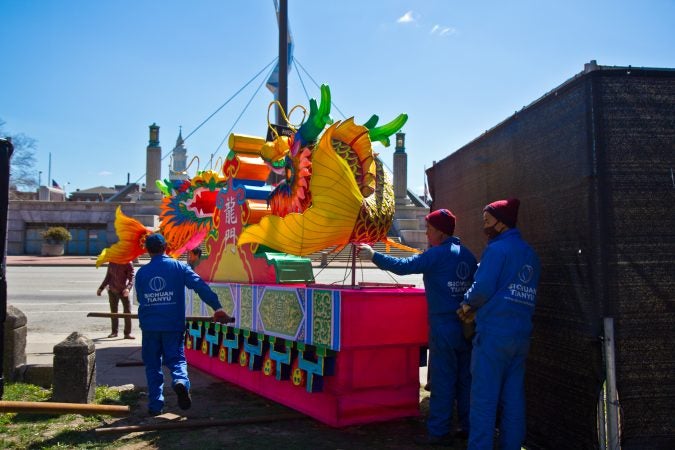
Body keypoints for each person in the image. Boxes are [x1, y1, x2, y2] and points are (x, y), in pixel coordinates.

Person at [358, 209, 477, 446]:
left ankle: (439, 431)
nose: (426, 233)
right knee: (466, 380)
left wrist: (373, 255)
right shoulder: (468, 255)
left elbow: (404, 266)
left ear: (441, 233)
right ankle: (467, 426)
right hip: (467, 327)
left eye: (430, 229)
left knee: (443, 381)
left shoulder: (436, 255)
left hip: (443, 328)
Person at [457, 198, 541, 450]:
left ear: (501, 223)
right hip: (520, 336)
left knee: (483, 400)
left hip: (493, 336)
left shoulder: (496, 250)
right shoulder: (530, 254)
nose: (484, 226)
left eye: (487, 221)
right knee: (513, 399)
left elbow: (482, 288)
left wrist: (466, 304)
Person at [135, 233, 232, 415]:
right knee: (176, 360)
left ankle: (155, 405)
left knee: (153, 365)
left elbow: (141, 298)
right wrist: (217, 307)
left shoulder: (141, 273)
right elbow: (200, 286)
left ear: (148, 251)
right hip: (173, 325)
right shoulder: (179, 267)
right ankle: (180, 381)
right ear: (165, 247)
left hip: (149, 326)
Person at [97, 261, 135, 339]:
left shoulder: (128, 263)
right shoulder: (112, 262)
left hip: (123, 290)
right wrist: (101, 288)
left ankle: (127, 333)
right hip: (112, 290)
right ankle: (114, 332)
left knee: (127, 312)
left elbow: (131, 278)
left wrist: (128, 289)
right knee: (113, 312)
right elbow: (108, 277)